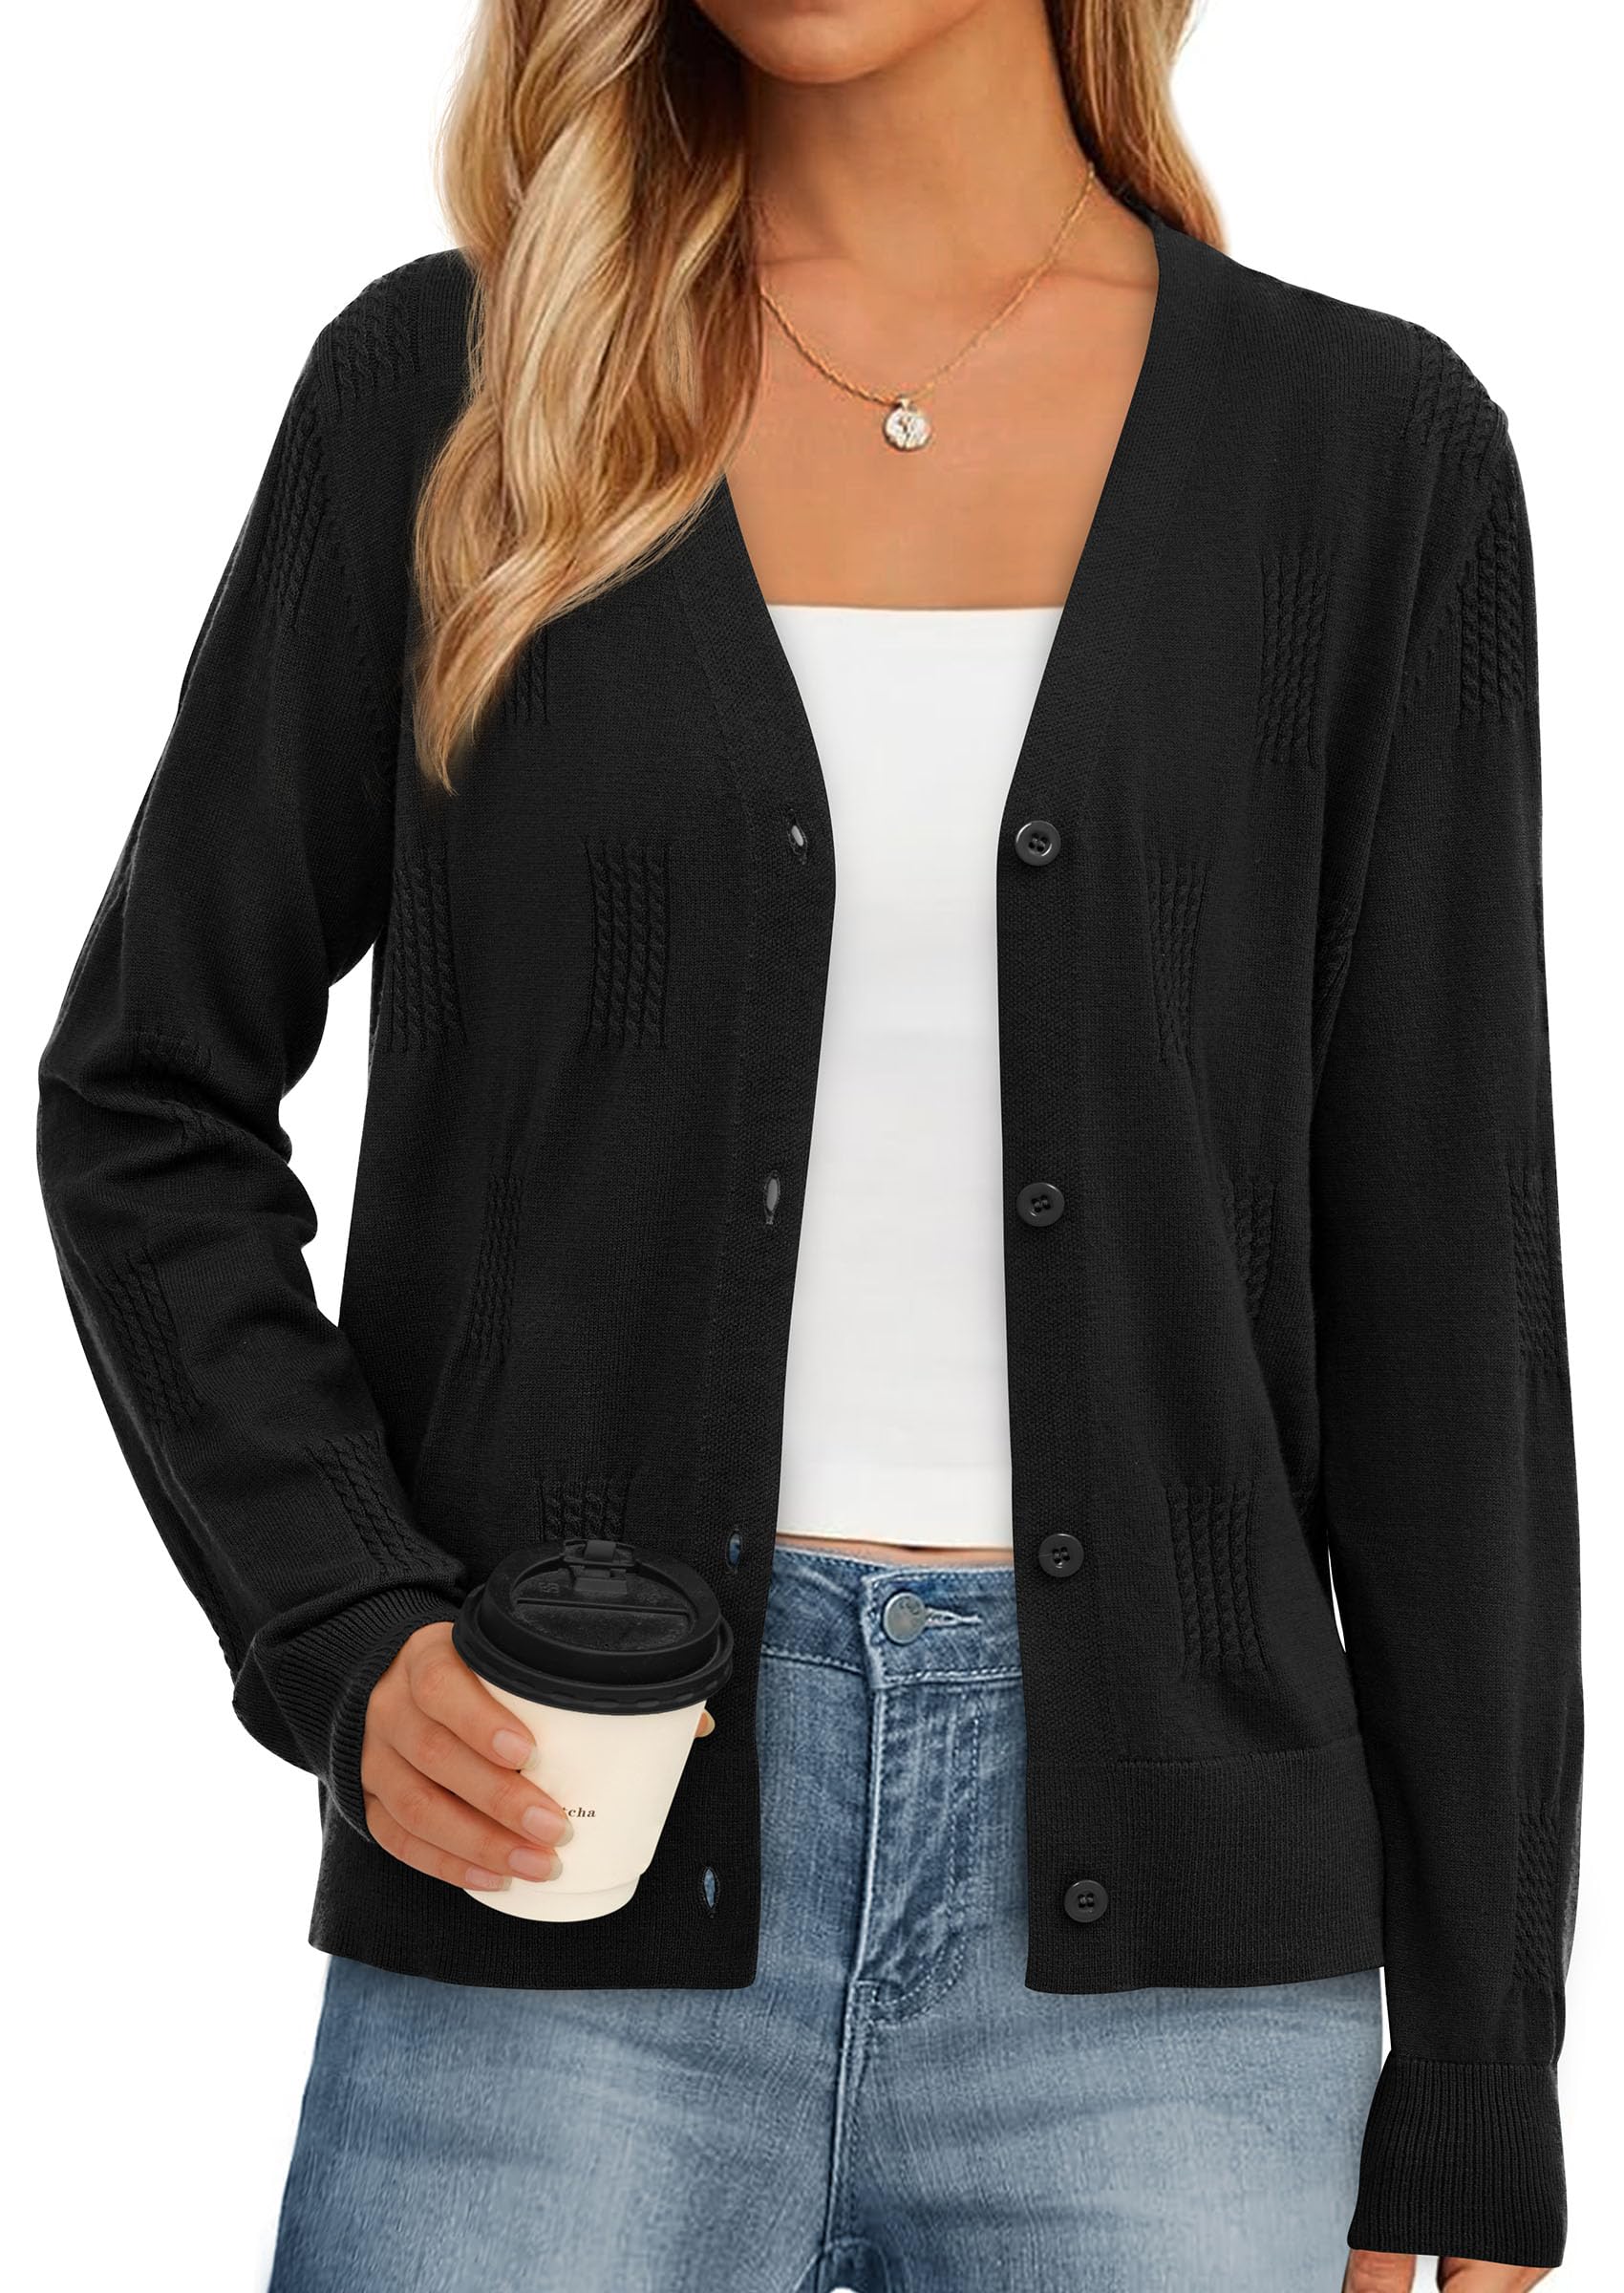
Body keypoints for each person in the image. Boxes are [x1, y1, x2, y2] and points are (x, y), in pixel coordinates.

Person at [35, 1, 1582, 2287]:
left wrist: (1474, 2068)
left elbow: (1446, 1296)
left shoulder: (1364, 456)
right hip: (552, 1868)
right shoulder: (450, 391)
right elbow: (149, 1087)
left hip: (1173, 1994)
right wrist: (343, 1618)